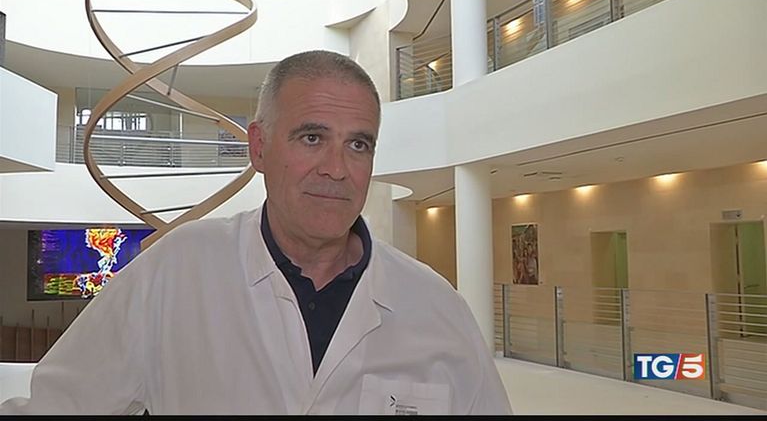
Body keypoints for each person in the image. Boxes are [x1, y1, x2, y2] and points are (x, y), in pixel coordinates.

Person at [0, 50, 512, 415]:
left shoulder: (438, 309)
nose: (337, 169)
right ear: (259, 147)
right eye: (312, 138)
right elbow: (56, 406)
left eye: (358, 145)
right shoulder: (175, 271)